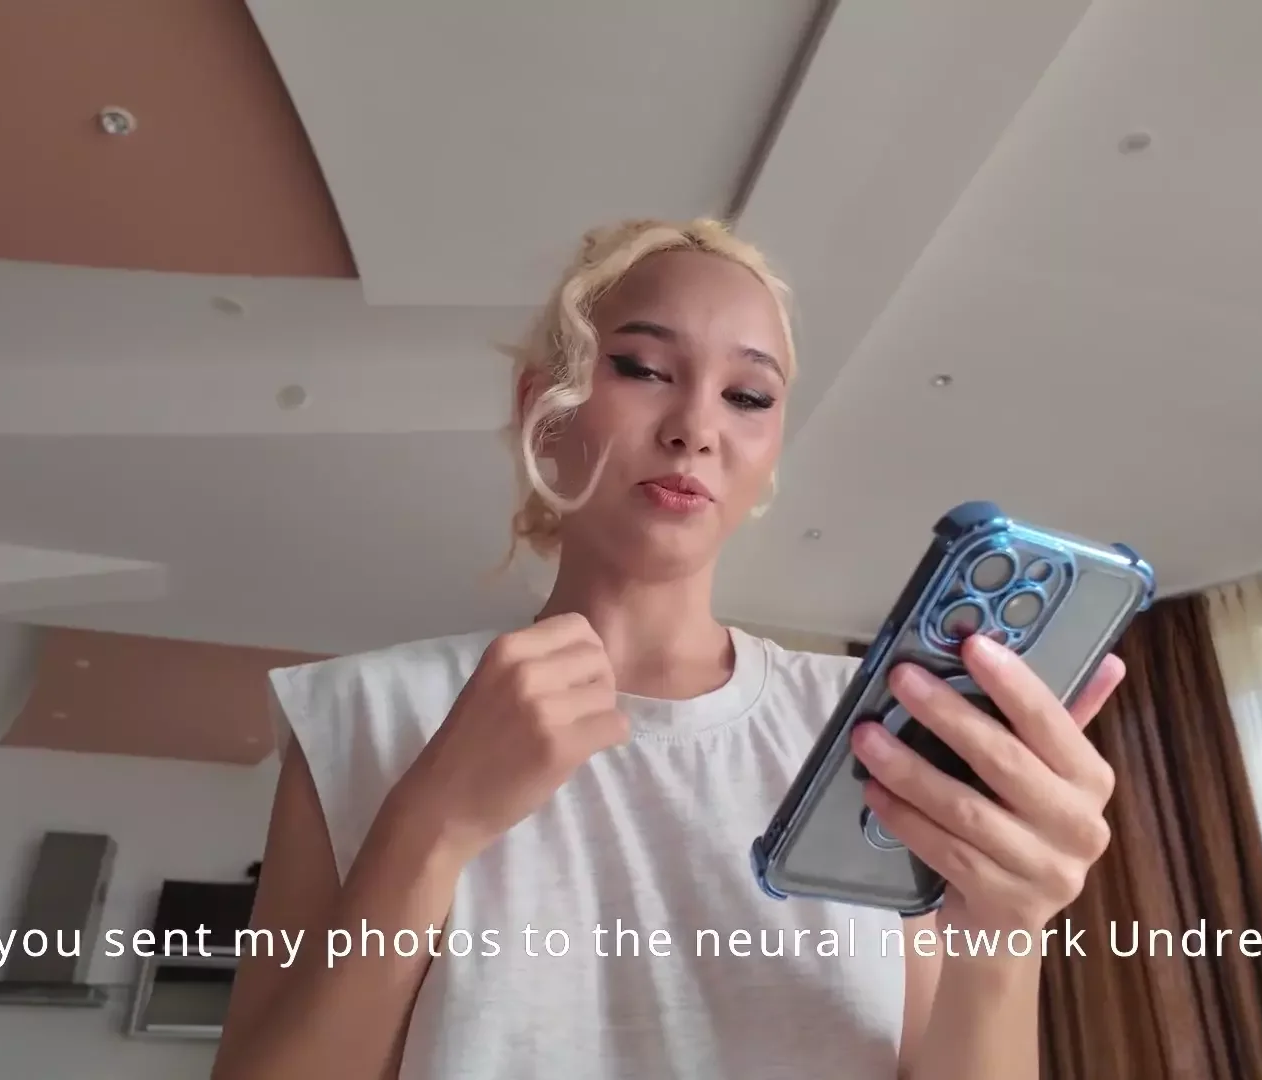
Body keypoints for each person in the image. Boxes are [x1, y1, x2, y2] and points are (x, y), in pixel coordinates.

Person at [211, 218, 1127, 1080]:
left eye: (747, 396)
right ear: (544, 410)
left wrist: (1004, 933)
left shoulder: (867, 728)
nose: (696, 426)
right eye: (645, 368)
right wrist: (431, 826)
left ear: (770, 449)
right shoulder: (362, 715)